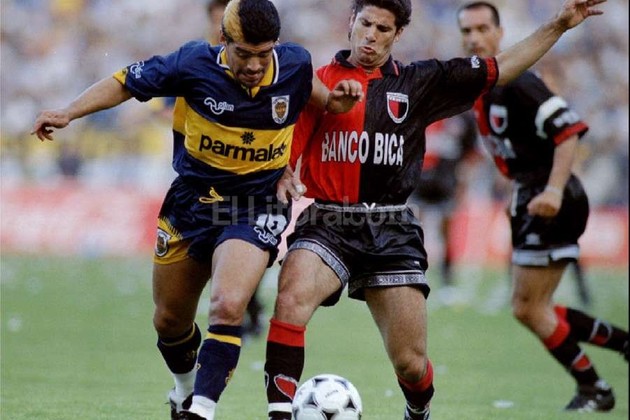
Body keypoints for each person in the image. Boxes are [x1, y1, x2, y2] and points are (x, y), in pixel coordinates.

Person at [263, 0, 610, 419]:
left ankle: (418, 410)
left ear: (398, 34)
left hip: (391, 226)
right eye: (366, 23)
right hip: (328, 220)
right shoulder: (317, 84)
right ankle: (279, 414)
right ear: (351, 22)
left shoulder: (421, 82)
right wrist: (283, 172)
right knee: (290, 299)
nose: (371, 35)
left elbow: (501, 68)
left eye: (383, 29)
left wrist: (558, 24)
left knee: (410, 364)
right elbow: (285, 153)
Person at [31, 1, 363, 419]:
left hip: (254, 205)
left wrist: (339, 101)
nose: (254, 66)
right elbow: (125, 82)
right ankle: (185, 391)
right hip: (192, 203)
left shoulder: (294, 64)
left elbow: (323, 101)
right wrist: (68, 112)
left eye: (263, 54)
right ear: (223, 40)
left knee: (227, 305)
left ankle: (201, 411)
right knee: (169, 321)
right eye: (244, 54)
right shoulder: (193, 64)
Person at [457, 1, 628, 412]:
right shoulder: (483, 87)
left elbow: (568, 131)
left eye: (482, 29)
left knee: (529, 308)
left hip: (552, 195)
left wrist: (552, 191)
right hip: (530, 194)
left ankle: (594, 386)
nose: (475, 38)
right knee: (532, 307)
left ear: (500, 33)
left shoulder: (518, 81)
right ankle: (617, 352)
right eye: (467, 31)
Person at [406, 112, 480, 297]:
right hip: (419, 183)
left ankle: (447, 280)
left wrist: (464, 182)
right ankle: (414, 275)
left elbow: (471, 153)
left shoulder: (463, 118)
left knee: (446, 233)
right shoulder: (422, 110)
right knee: (414, 231)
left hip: (447, 184)